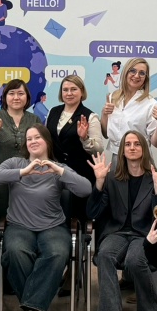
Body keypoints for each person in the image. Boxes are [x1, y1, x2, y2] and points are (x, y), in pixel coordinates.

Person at [0, 125, 91, 311]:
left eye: (37, 137)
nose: (33, 141)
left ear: (47, 141)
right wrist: (23, 173)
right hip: (19, 226)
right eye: (29, 138)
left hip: (53, 227)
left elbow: (85, 189)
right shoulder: (16, 163)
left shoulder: (58, 168)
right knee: (15, 252)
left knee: (57, 253)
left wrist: (59, 171)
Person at [88, 131, 157, 311]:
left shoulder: (155, 177)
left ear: (144, 149)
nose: (132, 148)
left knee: (134, 260)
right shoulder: (112, 177)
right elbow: (93, 212)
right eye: (128, 144)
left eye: (137, 144)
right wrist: (99, 183)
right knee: (104, 255)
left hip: (144, 235)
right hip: (117, 233)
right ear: (122, 150)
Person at [0, 79, 42, 222]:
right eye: (11, 93)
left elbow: (43, 148)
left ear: (27, 97)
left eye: (20, 93)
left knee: (25, 220)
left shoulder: (35, 119)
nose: (16, 97)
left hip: (27, 181)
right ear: (5, 97)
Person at [45, 74, 104, 223]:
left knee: (77, 217)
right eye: (65, 90)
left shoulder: (90, 116)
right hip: (54, 173)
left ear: (82, 92)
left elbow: (98, 150)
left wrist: (84, 138)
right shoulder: (53, 111)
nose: (69, 93)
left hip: (80, 174)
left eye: (73, 89)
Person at [99, 58, 157, 161]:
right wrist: (104, 114)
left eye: (142, 73)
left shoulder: (151, 104)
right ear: (126, 72)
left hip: (140, 159)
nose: (136, 76)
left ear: (145, 78)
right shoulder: (113, 97)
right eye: (133, 71)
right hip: (117, 157)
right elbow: (105, 134)